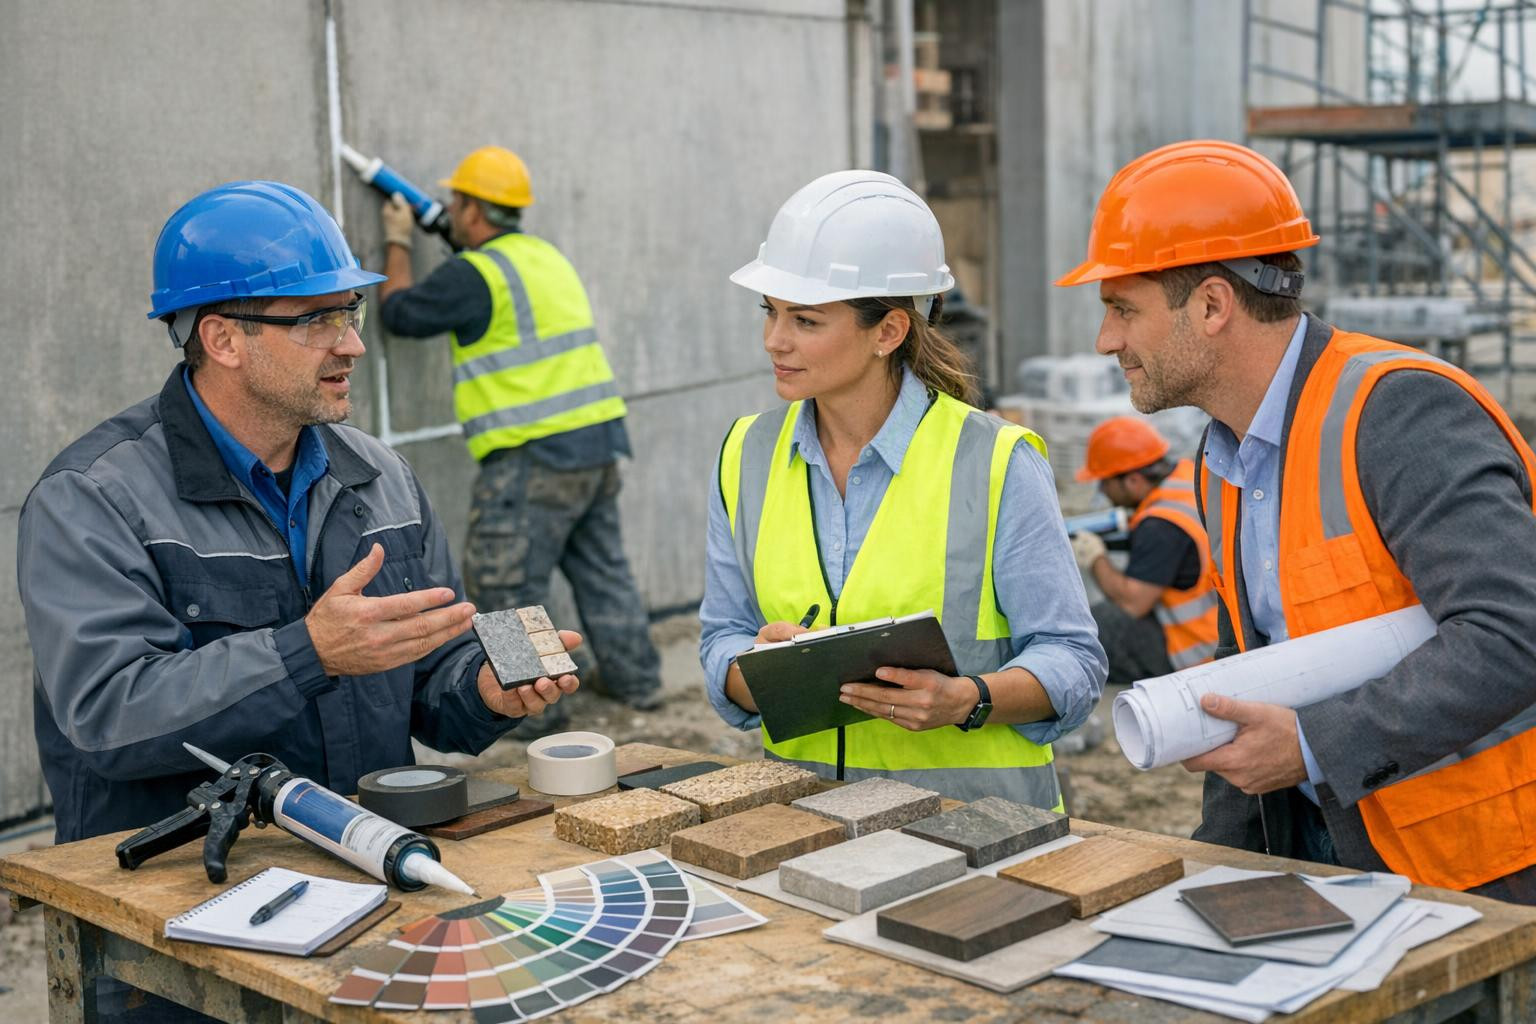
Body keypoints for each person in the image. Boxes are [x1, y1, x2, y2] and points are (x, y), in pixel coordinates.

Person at [19, 181, 580, 849]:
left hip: (364, 855)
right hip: (177, 883)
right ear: (223, 339)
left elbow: (430, 674)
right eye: (317, 320)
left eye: (351, 313)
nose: (352, 346)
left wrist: (485, 689)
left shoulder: (381, 479)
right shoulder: (94, 497)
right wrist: (306, 653)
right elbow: (108, 717)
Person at [1057, 139, 1536, 899]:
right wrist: (1214, 866)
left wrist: (1317, 743)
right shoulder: (1225, 460)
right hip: (1328, 840)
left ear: (1213, 304)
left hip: (1482, 866)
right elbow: (1245, 673)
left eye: (1123, 309)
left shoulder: (1396, 412)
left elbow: (1516, 631)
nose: (1106, 340)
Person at [700, 170, 1106, 806]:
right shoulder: (745, 455)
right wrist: (757, 672)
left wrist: (967, 700)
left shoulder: (996, 462)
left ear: (887, 332)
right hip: (807, 827)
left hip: (977, 836)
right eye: (771, 312)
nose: (774, 340)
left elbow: (1074, 662)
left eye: (805, 320)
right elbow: (721, 638)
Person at [377, 145, 662, 716]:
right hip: (596, 443)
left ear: (475, 210)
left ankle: (532, 710)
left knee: (504, 587)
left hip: (534, 456)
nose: (451, 210)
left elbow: (399, 313)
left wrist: (398, 239)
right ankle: (637, 682)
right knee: (602, 569)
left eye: (456, 201)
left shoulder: (475, 274)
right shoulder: (543, 257)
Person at [1070, 416, 1218, 685]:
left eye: (1105, 482)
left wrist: (1095, 558)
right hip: (1218, 630)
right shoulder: (1185, 476)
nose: (1102, 491)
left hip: (1195, 652)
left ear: (1134, 480)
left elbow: (1132, 603)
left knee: (1091, 631)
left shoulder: (1160, 526)